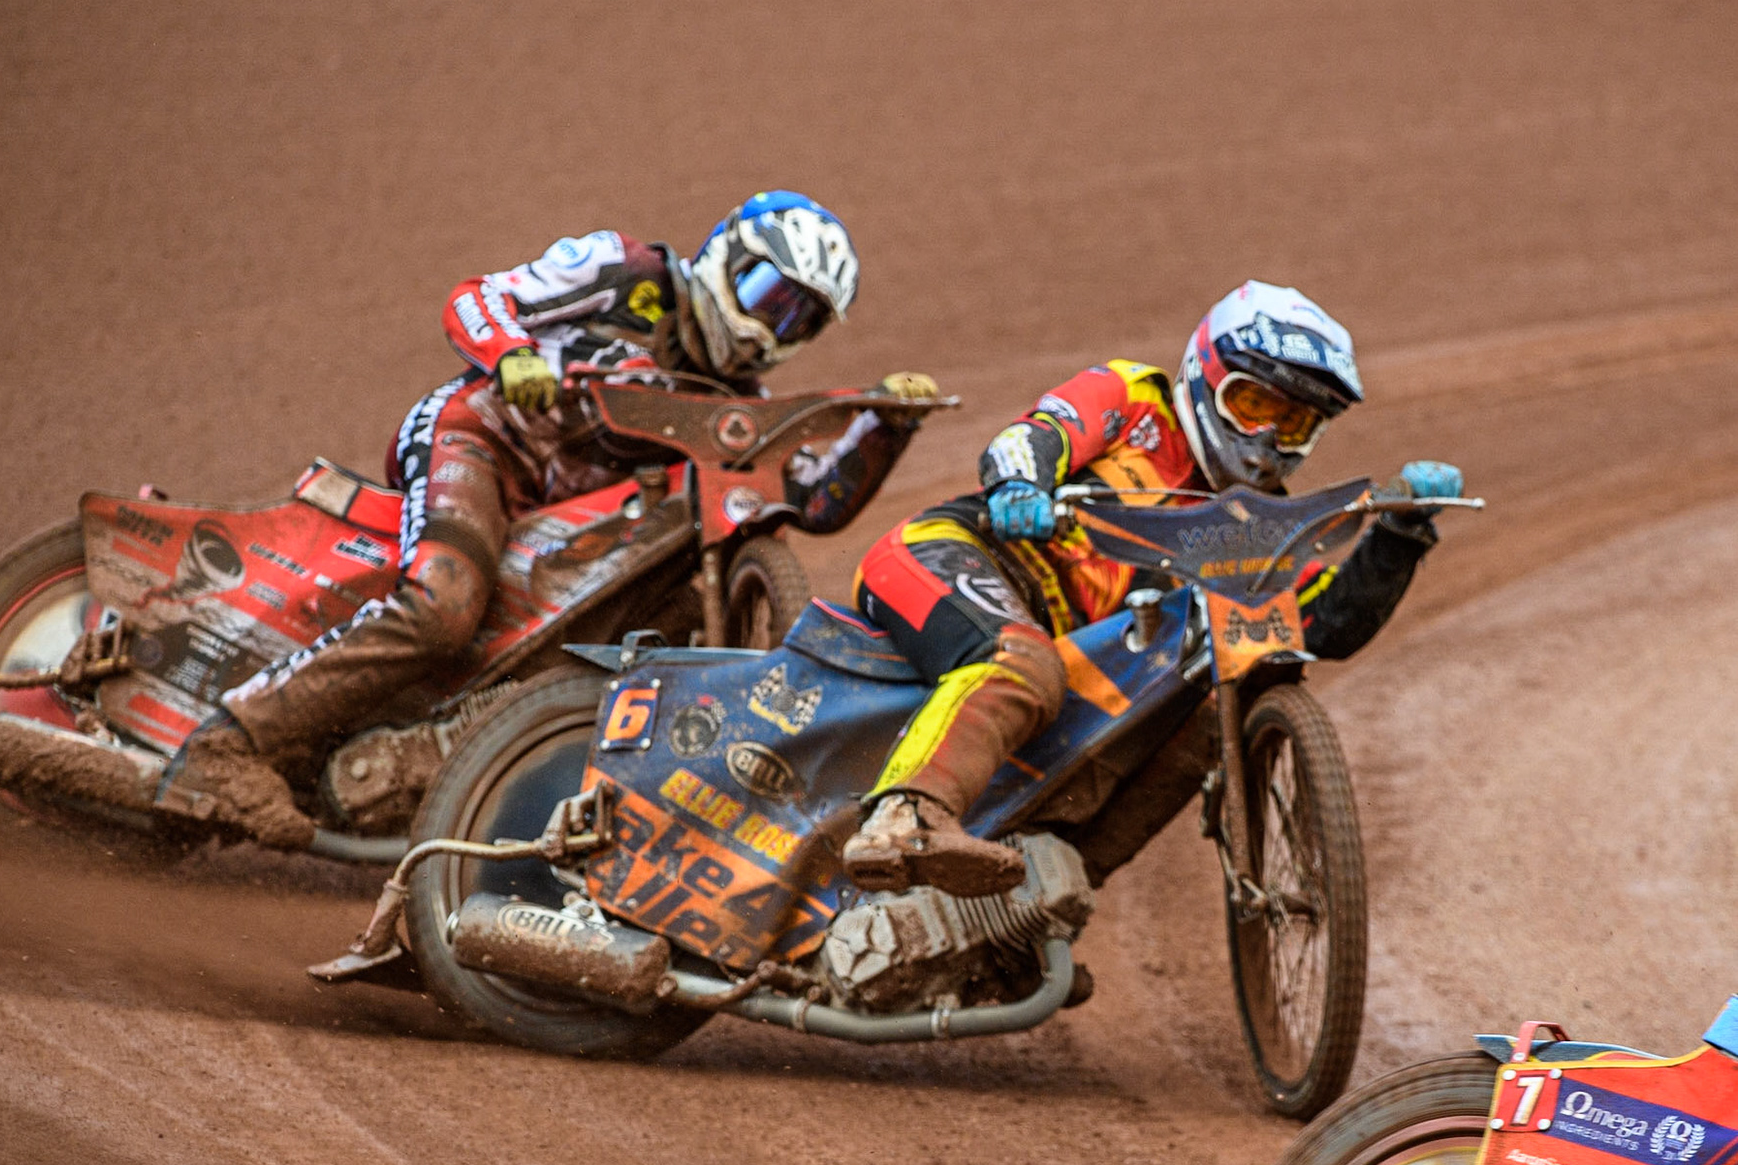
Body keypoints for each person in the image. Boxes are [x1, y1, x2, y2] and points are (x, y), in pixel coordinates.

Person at [157, 191, 937, 848]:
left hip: (569, 529)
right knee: (442, 602)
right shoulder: (627, 272)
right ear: (731, 256)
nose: (775, 327)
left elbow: (807, 498)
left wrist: (886, 426)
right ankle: (227, 744)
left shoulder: (738, 412)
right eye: (774, 296)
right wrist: (511, 354)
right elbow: (476, 298)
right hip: (485, 438)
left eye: (800, 320)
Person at [840, 280, 1465, 896]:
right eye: (1253, 406)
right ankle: (905, 819)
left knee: (1207, 705)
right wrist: (1021, 486)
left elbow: (1326, 624)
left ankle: (1045, 904)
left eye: (1295, 421)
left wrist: (1397, 537)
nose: (1268, 438)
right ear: (1203, 375)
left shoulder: (1250, 527)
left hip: (1059, 651)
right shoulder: (1133, 398)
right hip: (946, 555)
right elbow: (1035, 434)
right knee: (1021, 662)